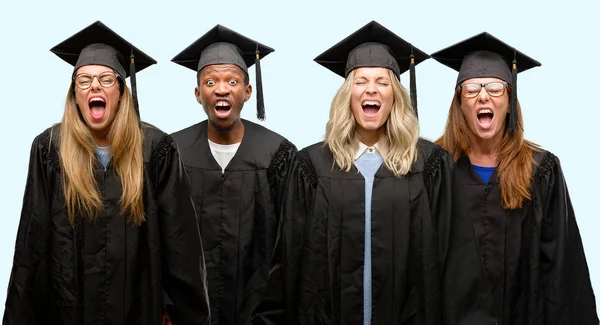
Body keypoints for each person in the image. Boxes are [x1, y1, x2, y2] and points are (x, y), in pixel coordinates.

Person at [281, 21, 494, 325]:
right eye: (361, 80)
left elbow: (458, 263)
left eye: (382, 81)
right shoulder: (310, 166)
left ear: (395, 95)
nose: (371, 89)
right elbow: (289, 264)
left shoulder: (430, 166)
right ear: (347, 94)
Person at [3, 21, 210, 325]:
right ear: (74, 94)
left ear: (122, 93)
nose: (94, 87)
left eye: (105, 79)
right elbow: (32, 244)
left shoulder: (155, 150)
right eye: (84, 80)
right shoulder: (49, 150)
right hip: (67, 311)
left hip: (139, 308)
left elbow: (180, 241)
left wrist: (174, 309)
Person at [432, 32, 599, 324]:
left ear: (510, 101)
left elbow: (562, 267)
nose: (483, 95)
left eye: (496, 88)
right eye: (471, 89)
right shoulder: (435, 169)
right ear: (460, 104)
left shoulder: (541, 170)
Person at [170, 24, 297, 325]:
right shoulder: (172, 152)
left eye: (232, 80)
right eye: (211, 81)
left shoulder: (278, 155)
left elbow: (290, 245)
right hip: (187, 313)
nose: (222, 89)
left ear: (248, 91)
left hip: (261, 314)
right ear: (198, 93)